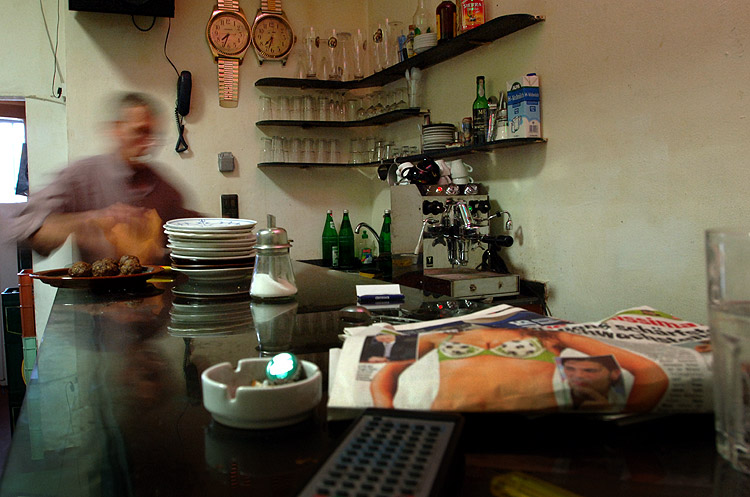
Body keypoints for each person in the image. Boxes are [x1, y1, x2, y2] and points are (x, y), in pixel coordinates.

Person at [9, 92, 200, 265]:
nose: (148, 143)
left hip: (155, 290)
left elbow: (188, 236)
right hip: (98, 291)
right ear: (117, 129)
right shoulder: (82, 176)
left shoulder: (165, 189)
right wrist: (88, 220)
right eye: (140, 131)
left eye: (152, 134)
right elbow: (28, 231)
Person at [369, 326, 669, 413]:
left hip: (537, 432)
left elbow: (649, 371)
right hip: (450, 427)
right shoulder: (440, 336)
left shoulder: (551, 336)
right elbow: (387, 372)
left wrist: (619, 419)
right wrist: (388, 413)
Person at [558, 355, 627, 410]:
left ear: (615, 373)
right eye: (570, 368)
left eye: (590, 370)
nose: (578, 376)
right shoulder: (554, 398)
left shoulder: (626, 402)